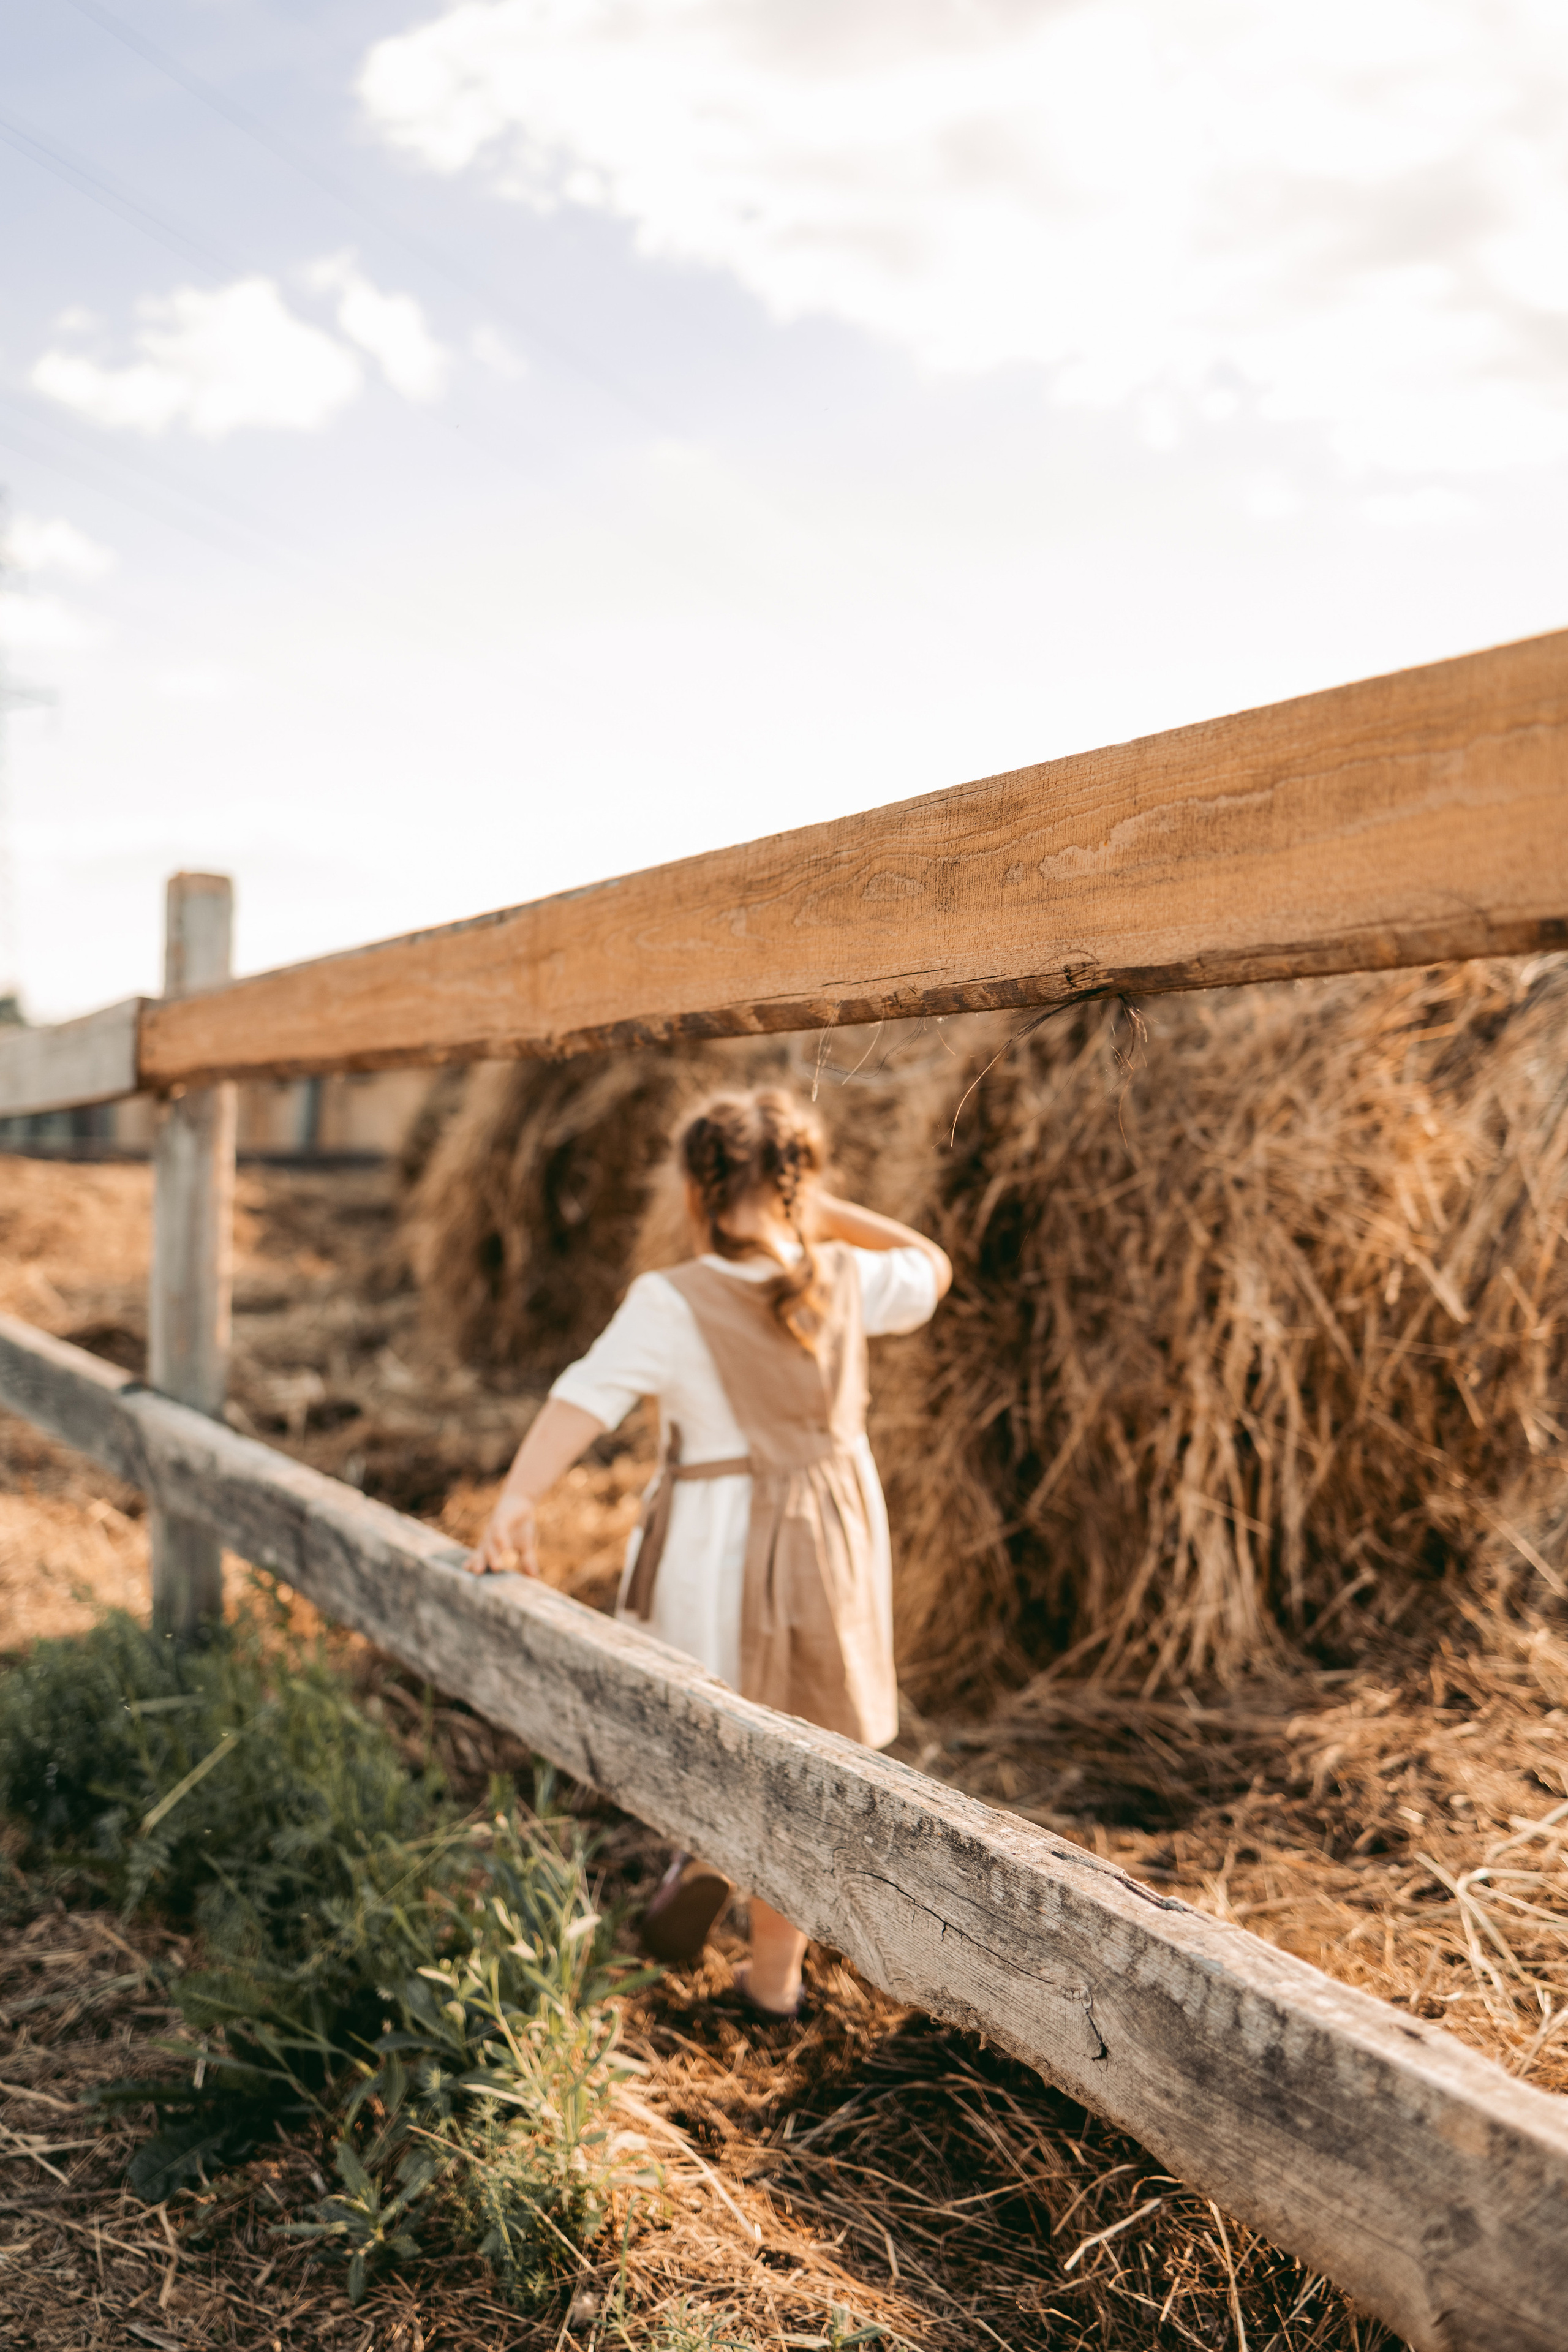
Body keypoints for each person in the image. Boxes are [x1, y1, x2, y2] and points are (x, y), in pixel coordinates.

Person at [469, 1085, 951, 2018]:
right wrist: (819, 1212)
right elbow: (931, 1267)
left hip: (715, 1551)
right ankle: (774, 1978)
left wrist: (517, 1501)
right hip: (832, 1542)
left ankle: (714, 1844)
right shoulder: (846, 1276)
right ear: (796, 1183)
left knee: (709, 1727)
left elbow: (587, 1395)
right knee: (808, 1756)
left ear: (694, 1190)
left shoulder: (674, 1300)